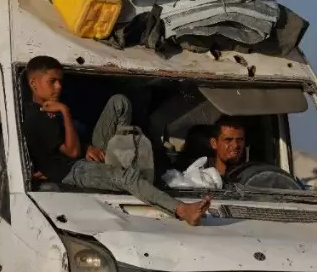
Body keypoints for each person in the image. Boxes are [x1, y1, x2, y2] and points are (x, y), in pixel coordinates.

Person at [21, 55, 208, 225]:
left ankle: (119, 158)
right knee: (124, 176)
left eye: (60, 82)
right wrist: (65, 112)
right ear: (34, 83)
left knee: (120, 103)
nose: (58, 87)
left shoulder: (51, 108)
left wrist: (86, 146)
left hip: (84, 153)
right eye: (52, 82)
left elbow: (68, 143)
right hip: (71, 170)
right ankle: (182, 210)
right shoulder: (36, 115)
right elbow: (71, 152)